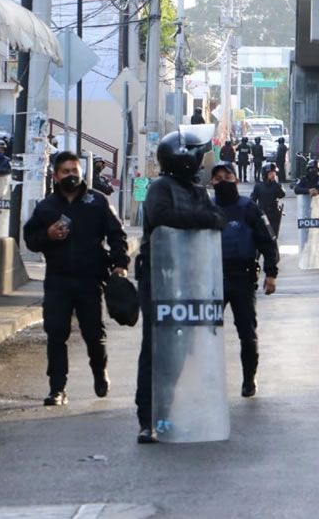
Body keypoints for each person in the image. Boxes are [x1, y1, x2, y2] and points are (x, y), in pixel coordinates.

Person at [134, 130, 226, 444]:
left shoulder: (197, 190)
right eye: (198, 156)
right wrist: (200, 218)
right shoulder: (161, 188)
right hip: (160, 279)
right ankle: (148, 419)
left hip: (190, 279)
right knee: (157, 347)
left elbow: (217, 219)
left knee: (181, 350)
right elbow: (162, 217)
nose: (202, 162)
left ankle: (168, 410)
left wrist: (201, 217)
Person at [23, 151, 129, 407]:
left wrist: (119, 265)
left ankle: (99, 372)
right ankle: (57, 388)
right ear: (56, 175)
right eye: (66, 171)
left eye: (75, 171)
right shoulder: (47, 207)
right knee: (56, 334)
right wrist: (47, 234)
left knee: (93, 333)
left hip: (90, 279)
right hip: (57, 280)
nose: (71, 175)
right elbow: (30, 239)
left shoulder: (98, 202)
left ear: (82, 173)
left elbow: (117, 235)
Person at [210, 161, 280, 398]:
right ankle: (208, 380)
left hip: (242, 278)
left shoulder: (249, 208)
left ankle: (249, 379)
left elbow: (268, 242)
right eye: (217, 178)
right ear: (211, 182)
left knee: (247, 334)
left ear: (236, 180)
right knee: (205, 332)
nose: (222, 182)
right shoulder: (206, 209)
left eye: (227, 177)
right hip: (211, 281)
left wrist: (271, 274)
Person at [251, 161, 285, 237]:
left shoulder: (277, 185)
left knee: (273, 235)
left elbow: (282, 195)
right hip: (263, 213)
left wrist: (276, 184)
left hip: (274, 213)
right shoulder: (258, 186)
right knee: (263, 234)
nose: (273, 175)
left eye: (274, 173)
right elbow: (253, 199)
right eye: (270, 173)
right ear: (265, 175)